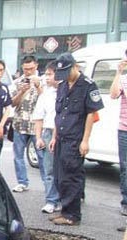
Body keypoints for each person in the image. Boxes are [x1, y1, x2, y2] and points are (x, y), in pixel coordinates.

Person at [49, 52, 104, 226]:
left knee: (71, 176)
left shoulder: (88, 85)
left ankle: (72, 215)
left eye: (67, 71)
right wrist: (54, 136)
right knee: (59, 176)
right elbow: (59, 113)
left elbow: (91, 114)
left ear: (75, 67)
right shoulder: (63, 85)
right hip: (61, 138)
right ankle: (65, 209)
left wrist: (85, 140)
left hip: (75, 139)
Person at [10, 55, 44, 193]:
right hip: (20, 123)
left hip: (37, 125)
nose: (28, 72)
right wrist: (21, 91)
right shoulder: (17, 82)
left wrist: (38, 86)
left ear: (36, 66)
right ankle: (22, 182)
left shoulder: (43, 80)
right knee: (18, 155)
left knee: (42, 156)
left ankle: (47, 182)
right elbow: (12, 103)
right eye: (25, 69)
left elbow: (47, 101)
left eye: (31, 68)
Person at [32, 61, 61, 214]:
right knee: (48, 169)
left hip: (65, 133)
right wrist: (39, 137)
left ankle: (63, 199)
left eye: (50, 74)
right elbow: (38, 117)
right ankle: (51, 200)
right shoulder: (45, 95)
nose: (47, 77)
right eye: (46, 74)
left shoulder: (66, 91)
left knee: (64, 169)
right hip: (48, 132)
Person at [109, 52, 127, 217]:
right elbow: (113, 94)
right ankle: (126, 202)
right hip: (124, 129)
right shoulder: (123, 79)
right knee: (125, 167)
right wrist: (119, 72)